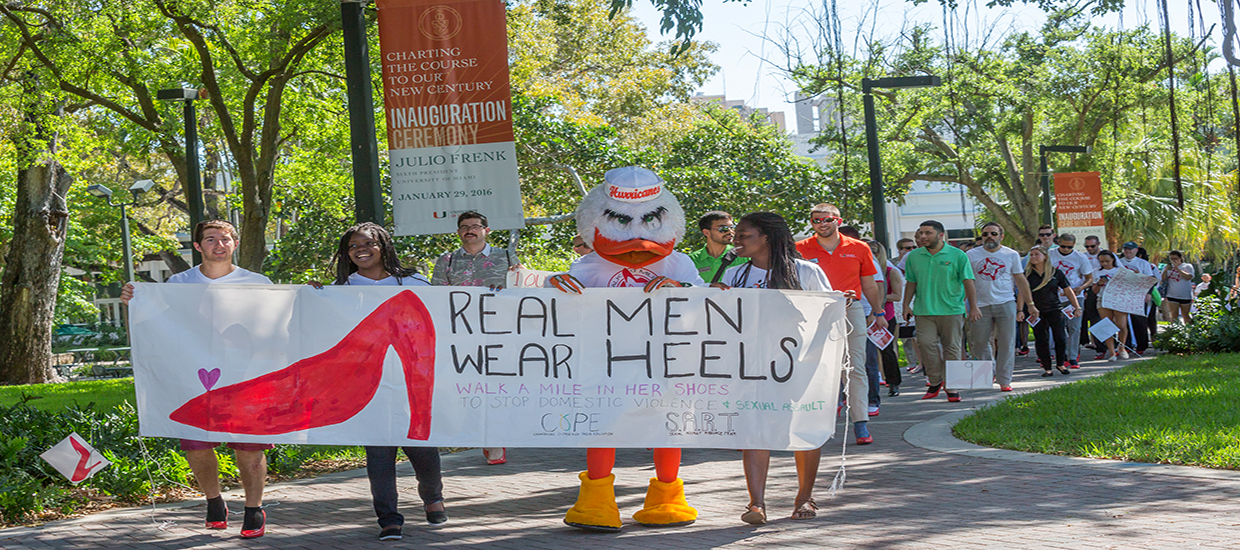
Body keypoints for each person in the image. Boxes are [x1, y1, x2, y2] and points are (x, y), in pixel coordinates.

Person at [120, 220, 271, 538]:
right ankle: (214, 501)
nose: (219, 244)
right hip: (194, 376)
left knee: (249, 449)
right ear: (198, 246)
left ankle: (254, 509)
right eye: (211, 239)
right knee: (198, 447)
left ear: (235, 243)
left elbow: (279, 323)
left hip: (247, 378)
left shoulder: (257, 282)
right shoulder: (178, 283)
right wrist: (132, 303)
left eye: (225, 238)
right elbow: (151, 324)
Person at [318, 222, 446, 540]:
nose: (360, 249)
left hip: (410, 384)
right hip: (368, 388)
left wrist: (495, 295)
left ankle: (432, 497)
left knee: (423, 450)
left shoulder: (413, 283)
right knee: (378, 454)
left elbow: (445, 314)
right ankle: (388, 517)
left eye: (367, 243)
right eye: (352, 246)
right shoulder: (340, 291)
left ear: (384, 246)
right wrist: (313, 299)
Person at [716, 212, 833, 524]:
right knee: (755, 430)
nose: (736, 239)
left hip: (799, 363)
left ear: (765, 238)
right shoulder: (733, 275)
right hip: (750, 364)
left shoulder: (806, 272)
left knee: (803, 428)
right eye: (735, 234)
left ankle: (805, 498)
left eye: (744, 234)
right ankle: (756, 503)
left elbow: (827, 315)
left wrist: (816, 354)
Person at [431, 211, 519, 465]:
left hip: (500, 331)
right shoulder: (446, 260)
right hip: (461, 333)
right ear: (458, 232)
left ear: (486, 230)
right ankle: (475, 434)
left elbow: (522, 286)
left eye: (475, 226)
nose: (470, 230)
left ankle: (494, 439)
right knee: (465, 387)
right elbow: (438, 296)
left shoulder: (505, 256)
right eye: (464, 227)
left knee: (496, 387)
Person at [796, 204, 882, 444]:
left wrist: (878, 311)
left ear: (838, 220)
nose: (822, 224)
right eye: (816, 220)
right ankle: (813, 421)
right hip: (814, 310)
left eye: (827, 219)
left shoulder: (858, 247)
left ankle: (860, 422)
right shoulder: (799, 249)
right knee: (814, 365)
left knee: (856, 365)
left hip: (850, 308)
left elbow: (870, 284)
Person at [901, 220, 981, 402]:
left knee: (952, 349)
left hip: (952, 310)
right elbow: (911, 282)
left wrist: (974, 307)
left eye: (927, 233)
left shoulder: (958, 255)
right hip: (924, 310)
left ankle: (952, 388)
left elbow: (968, 281)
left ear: (940, 235)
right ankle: (935, 381)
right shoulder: (914, 257)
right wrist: (906, 305)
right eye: (920, 233)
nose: (922, 236)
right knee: (925, 344)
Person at [966, 222, 1033, 392]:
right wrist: (971, 305)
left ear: (1001, 236)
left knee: (1007, 343)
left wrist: (1030, 304)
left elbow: (1020, 279)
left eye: (994, 234)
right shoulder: (971, 254)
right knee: (979, 343)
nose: (989, 237)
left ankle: (1004, 380)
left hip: (1005, 302)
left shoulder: (1011, 254)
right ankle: (988, 373)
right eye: (986, 234)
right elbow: (968, 281)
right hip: (980, 305)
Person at [1022, 245, 1080, 376]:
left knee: (1060, 337)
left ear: (1045, 256)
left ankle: (1060, 363)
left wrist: (1077, 306)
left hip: (1055, 309)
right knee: (1041, 339)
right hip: (1036, 311)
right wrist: (1020, 310)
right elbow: (1022, 293)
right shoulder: (1027, 274)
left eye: (1037, 254)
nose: (1033, 257)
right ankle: (1047, 367)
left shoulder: (1056, 272)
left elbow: (1068, 290)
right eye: (1031, 255)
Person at [1047, 233, 1094, 368]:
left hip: (1074, 296)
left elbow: (1089, 278)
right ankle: (1058, 355)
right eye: (1063, 246)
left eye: (1069, 247)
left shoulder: (1080, 257)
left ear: (1074, 245)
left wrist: (1081, 288)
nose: (1066, 249)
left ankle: (1073, 357)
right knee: (1057, 327)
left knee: (1074, 327)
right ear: (1058, 243)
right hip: (1054, 296)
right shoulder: (1050, 254)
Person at [868, 239, 904, 397]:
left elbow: (897, 296)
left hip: (885, 316)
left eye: (874, 251)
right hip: (863, 313)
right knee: (866, 351)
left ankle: (893, 382)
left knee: (886, 350)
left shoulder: (891, 271)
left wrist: (877, 297)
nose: (871, 254)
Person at [1116, 242, 1155, 354]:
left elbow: (1150, 279)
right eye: (1126, 249)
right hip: (1123, 294)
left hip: (1138, 294)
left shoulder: (1143, 263)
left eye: (1130, 249)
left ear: (1136, 250)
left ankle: (1141, 345)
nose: (1128, 251)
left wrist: (1148, 293)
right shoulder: (1119, 262)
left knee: (1139, 320)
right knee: (1123, 322)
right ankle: (1126, 345)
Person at [1093, 250, 1130, 360]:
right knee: (1107, 325)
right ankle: (1112, 352)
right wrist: (1099, 284)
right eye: (1102, 261)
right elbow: (1094, 290)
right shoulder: (1096, 272)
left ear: (1113, 259)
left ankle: (1122, 347)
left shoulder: (1121, 270)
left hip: (1119, 299)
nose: (1104, 264)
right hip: (1103, 299)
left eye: (1107, 261)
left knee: (1121, 325)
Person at [893, 238, 921, 373]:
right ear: (900, 250)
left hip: (914, 304)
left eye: (913, 247)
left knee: (916, 337)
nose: (912, 250)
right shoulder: (893, 265)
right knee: (904, 340)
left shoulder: (917, 262)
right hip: (897, 306)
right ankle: (909, 363)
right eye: (908, 248)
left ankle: (921, 364)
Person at [687, 211, 735, 282]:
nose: (730, 231)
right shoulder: (690, 260)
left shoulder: (744, 257)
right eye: (723, 229)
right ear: (706, 232)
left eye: (732, 227)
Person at [1161, 250, 1195, 324]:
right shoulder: (1167, 267)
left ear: (1180, 258)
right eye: (1171, 259)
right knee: (1174, 314)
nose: (1173, 260)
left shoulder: (1187, 266)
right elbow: (1163, 279)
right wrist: (1166, 270)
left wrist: (1178, 269)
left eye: (1175, 258)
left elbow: (1188, 277)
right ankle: (1175, 331)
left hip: (1185, 295)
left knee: (1185, 315)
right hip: (1172, 294)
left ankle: (1189, 331)